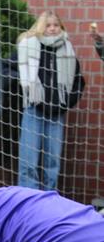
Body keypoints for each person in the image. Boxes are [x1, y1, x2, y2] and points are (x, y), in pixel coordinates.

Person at [17, 11, 84, 191]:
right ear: (40, 27)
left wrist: (65, 103)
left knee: (52, 162)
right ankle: (27, 200)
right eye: (48, 25)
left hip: (56, 113)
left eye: (56, 25)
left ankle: (49, 200)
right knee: (28, 160)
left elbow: (79, 82)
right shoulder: (27, 47)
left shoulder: (67, 51)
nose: (52, 29)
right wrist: (32, 94)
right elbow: (11, 73)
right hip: (34, 110)